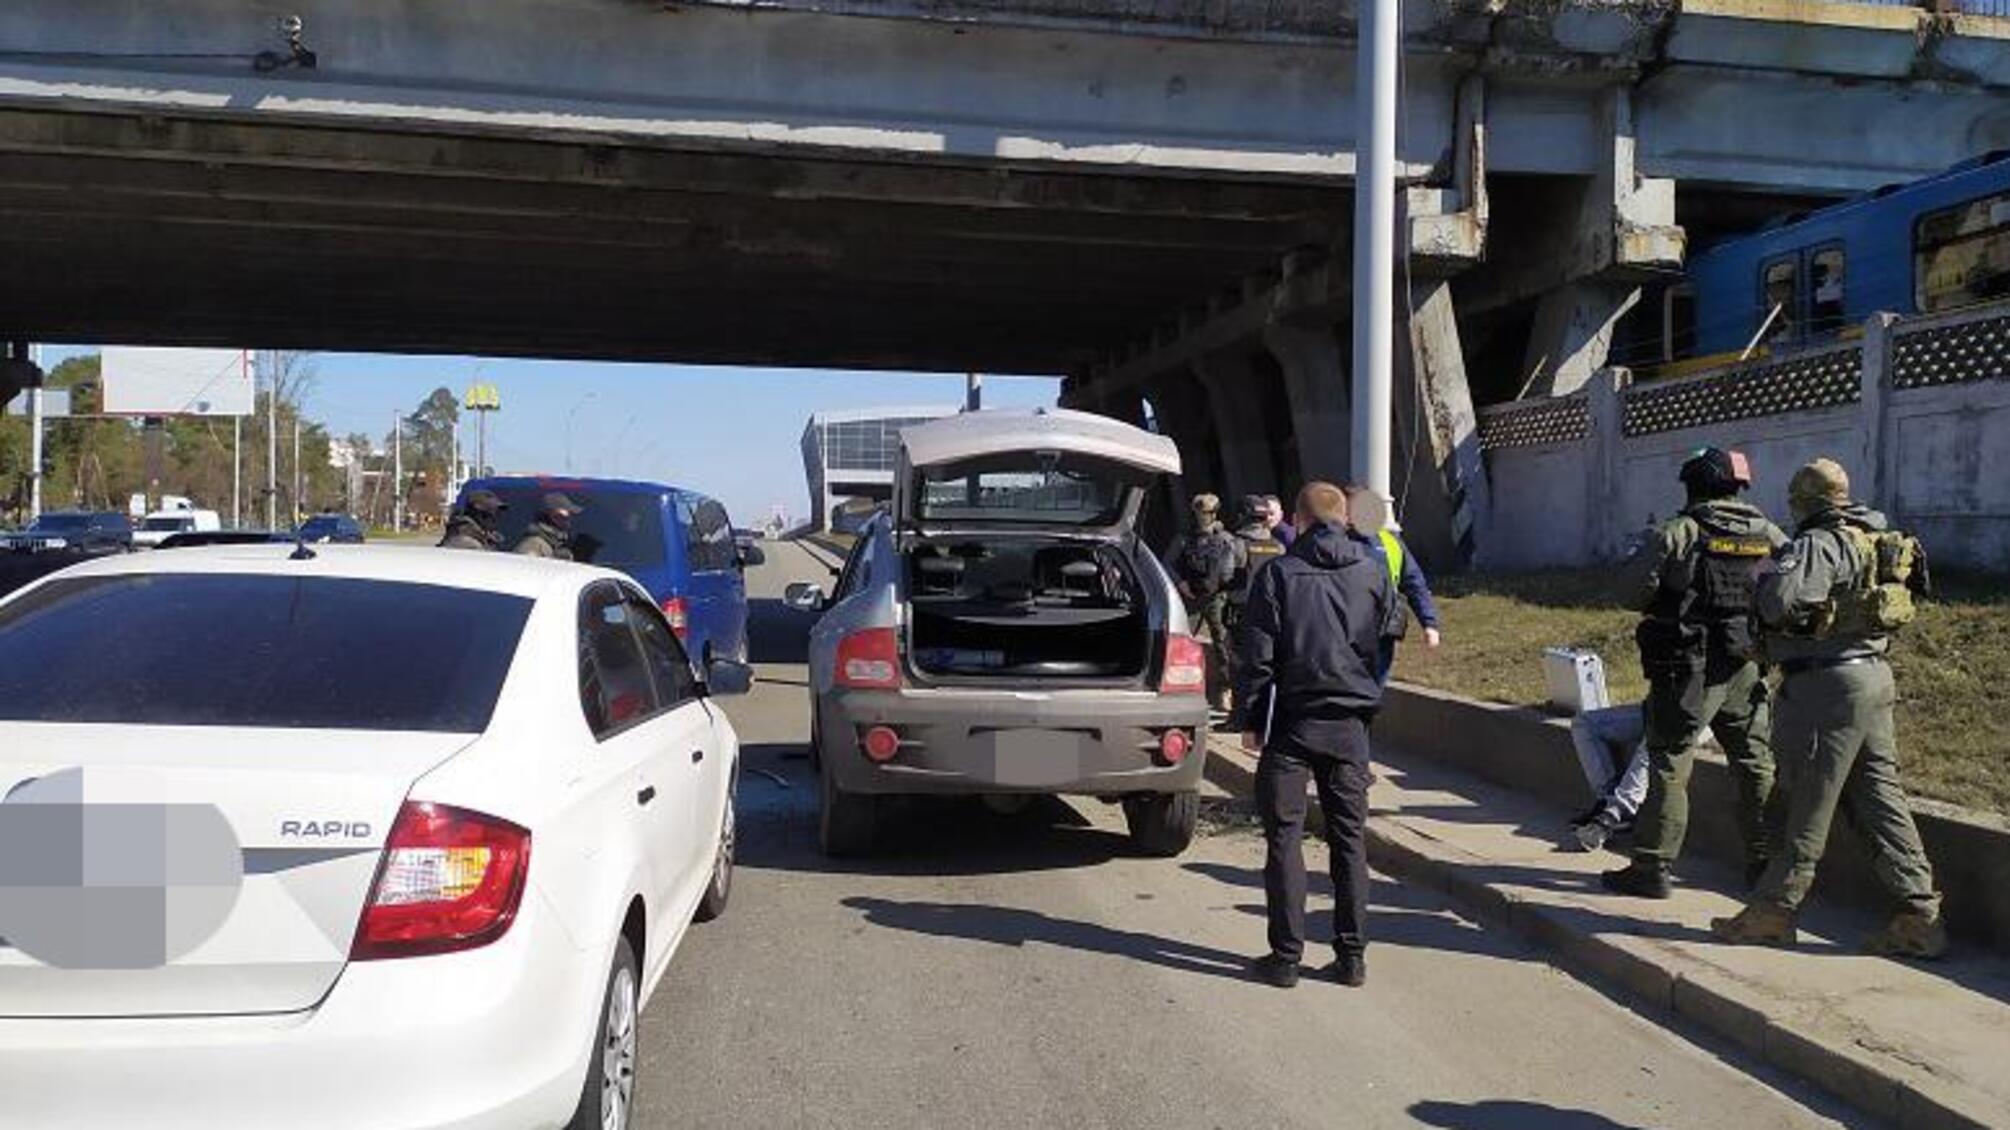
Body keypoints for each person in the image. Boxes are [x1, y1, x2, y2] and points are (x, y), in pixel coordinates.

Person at [1712, 458, 1946, 959]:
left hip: (1826, 685)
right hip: (1872, 678)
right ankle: (1919, 916)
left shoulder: (1818, 542)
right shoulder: (1873, 537)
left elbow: (1777, 603)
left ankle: (1774, 910)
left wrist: (1765, 574)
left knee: (1806, 800)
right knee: (1881, 800)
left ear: (1806, 503)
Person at [1603, 447, 1788, 899]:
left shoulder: (1679, 532)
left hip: (1689, 667)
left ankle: (1652, 866)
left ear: (1694, 485)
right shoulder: (1768, 532)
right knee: (1754, 763)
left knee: (1669, 761)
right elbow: (1783, 588)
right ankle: (1763, 863)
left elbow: (1629, 591)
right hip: (1745, 662)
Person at [1235, 482, 1395, 990]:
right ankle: (1352, 959)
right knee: (1350, 842)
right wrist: (1368, 692)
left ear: (1298, 521)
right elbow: (1391, 633)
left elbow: (1256, 659)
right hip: (1350, 726)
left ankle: (1285, 958)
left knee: (1284, 839)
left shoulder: (1277, 574)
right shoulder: (1372, 571)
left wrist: (1253, 722)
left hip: (1292, 724)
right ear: (1345, 519)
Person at [1343, 486, 1442, 683]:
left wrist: (1429, 623)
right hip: (1343, 631)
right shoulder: (1335, 541)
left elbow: (1414, 582)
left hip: (1380, 632)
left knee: (1372, 689)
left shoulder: (1391, 543)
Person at [1164, 493, 1243, 712]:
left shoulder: (1226, 539)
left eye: (1207, 513)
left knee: (1222, 644)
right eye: (1199, 513)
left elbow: (1235, 568)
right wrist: (1181, 584)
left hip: (1216, 598)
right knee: (1180, 639)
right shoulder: (1184, 538)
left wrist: (1222, 585)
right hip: (1190, 595)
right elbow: (1168, 563)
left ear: (1214, 513)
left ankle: (1225, 690)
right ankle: (1177, 686)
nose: (1202, 518)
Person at [1567, 702, 1651, 852]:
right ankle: (1607, 801)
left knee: (1657, 739)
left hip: (1690, 718)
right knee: (1584, 723)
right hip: (1654, 710)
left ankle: (1617, 812)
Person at [512, 491, 583, 560]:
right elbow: (523, 570)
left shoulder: (557, 546)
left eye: (569, 518)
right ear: (546, 518)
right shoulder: (533, 545)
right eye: (561, 517)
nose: (567, 523)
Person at [437, 488, 507, 551]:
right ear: (480, 515)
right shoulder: (465, 542)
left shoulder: (481, 536)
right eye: (491, 513)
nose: (495, 518)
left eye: (497, 513)